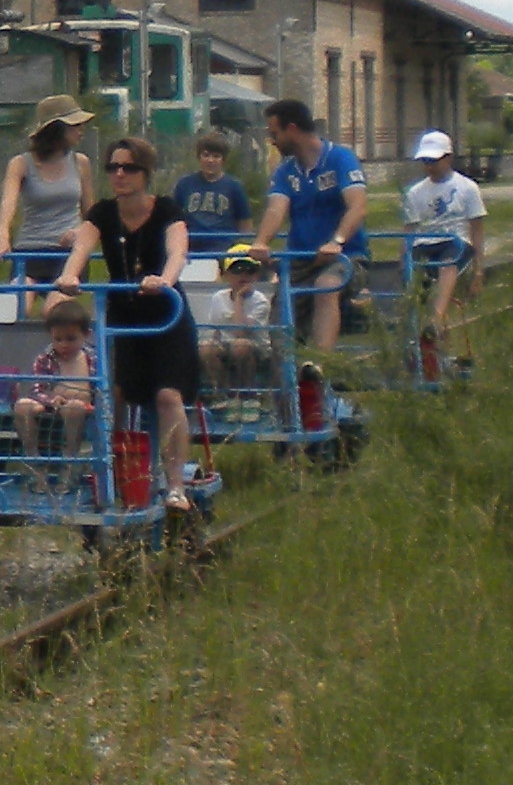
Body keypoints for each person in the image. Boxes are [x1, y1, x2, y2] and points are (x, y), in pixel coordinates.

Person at [58, 135, 204, 511]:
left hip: (165, 315)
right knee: (116, 395)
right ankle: (117, 476)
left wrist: (164, 281)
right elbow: (82, 248)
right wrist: (71, 275)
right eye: (113, 167)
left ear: (145, 173)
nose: (119, 174)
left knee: (167, 396)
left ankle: (174, 485)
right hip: (122, 316)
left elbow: (178, 251)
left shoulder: (167, 210)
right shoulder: (104, 214)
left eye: (129, 167)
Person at [252, 97, 371, 353]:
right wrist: (261, 241)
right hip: (301, 260)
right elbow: (276, 209)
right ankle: (283, 382)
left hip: (346, 257)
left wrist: (336, 241)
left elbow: (358, 207)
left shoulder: (340, 159)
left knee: (326, 286)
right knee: (281, 315)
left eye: (275, 133)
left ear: (292, 129)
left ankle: (319, 367)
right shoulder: (286, 172)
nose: (272, 140)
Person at [398, 129, 489, 371]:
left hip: (455, 241)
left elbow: (477, 229)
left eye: (434, 161)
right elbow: (409, 230)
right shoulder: (415, 192)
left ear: (448, 158)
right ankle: (432, 349)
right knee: (420, 288)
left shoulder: (467, 188)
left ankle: (436, 318)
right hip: (425, 243)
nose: (429, 166)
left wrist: (479, 270)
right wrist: (403, 258)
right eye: (425, 161)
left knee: (447, 264)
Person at [0, 98, 96, 293]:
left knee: (56, 311)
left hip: (69, 254)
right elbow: (8, 204)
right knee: (19, 303)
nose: (81, 130)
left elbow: (92, 214)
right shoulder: (21, 164)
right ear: (57, 129)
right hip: (29, 250)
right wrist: (2, 237)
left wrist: (81, 232)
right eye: (75, 125)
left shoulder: (81, 163)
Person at [16, 296, 99, 456]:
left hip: (81, 410)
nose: (64, 344)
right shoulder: (45, 359)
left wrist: (90, 402)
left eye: (71, 339)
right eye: (58, 339)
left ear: (86, 335)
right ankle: (33, 459)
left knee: (74, 407)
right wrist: (50, 400)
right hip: (49, 409)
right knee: (22, 405)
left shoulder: (92, 359)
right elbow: (37, 389)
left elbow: (99, 391)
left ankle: (70, 460)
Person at [195, 249, 281, 395]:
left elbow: (240, 332)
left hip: (257, 348)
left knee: (241, 346)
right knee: (206, 349)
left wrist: (239, 299)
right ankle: (223, 393)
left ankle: (247, 394)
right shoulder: (218, 297)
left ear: (256, 275)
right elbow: (215, 330)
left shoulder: (260, 301)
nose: (243, 276)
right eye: (237, 271)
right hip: (227, 345)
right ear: (227, 275)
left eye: (250, 271)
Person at [171, 132, 254, 257]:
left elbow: (245, 222)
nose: (210, 160)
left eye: (216, 156)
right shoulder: (184, 184)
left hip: (223, 250)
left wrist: (240, 246)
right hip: (189, 250)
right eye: (206, 155)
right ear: (199, 157)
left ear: (223, 160)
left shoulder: (234, 186)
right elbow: (173, 217)